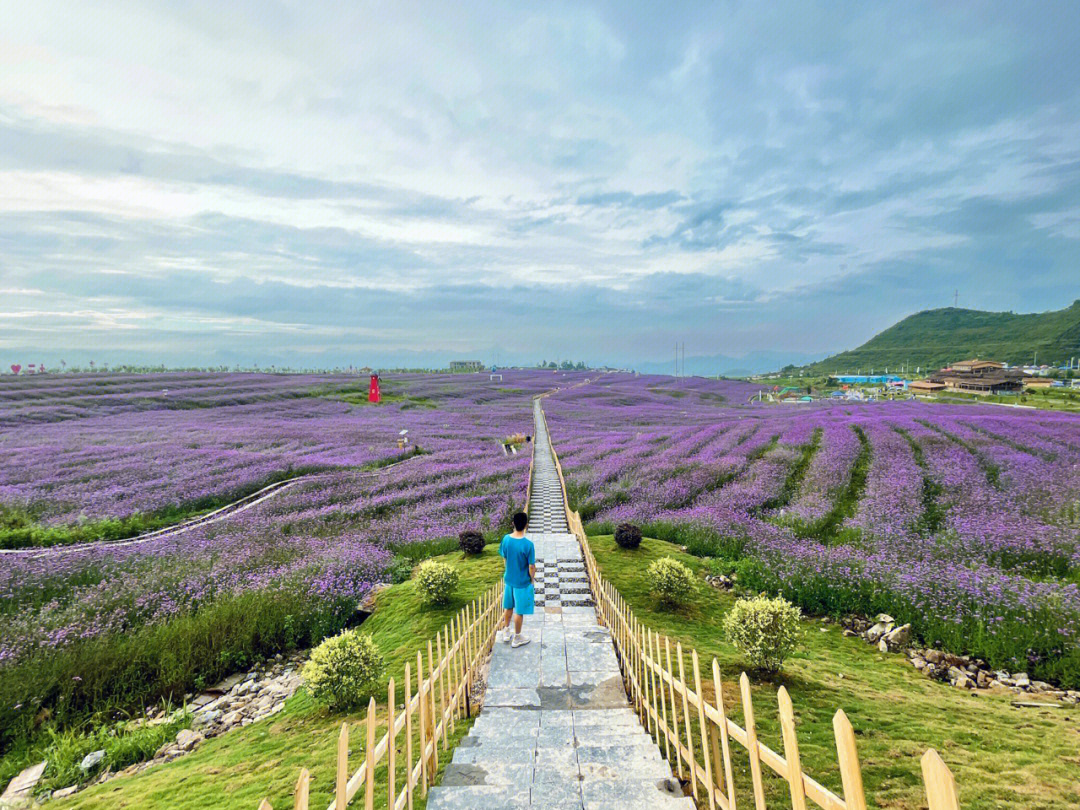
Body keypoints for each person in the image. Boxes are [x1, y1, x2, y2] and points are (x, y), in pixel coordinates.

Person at [497, 511, 536, 647]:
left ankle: (506, 631)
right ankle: (517, 637)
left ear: (513, 523)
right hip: (521, 582)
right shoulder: (528, 545)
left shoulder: (506, 539)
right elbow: (531, 566)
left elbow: (505, 557)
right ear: (526, 525)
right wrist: (532, 579)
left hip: (509, 579)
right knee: (519, 611)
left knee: (508, 606)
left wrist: (508, 570)